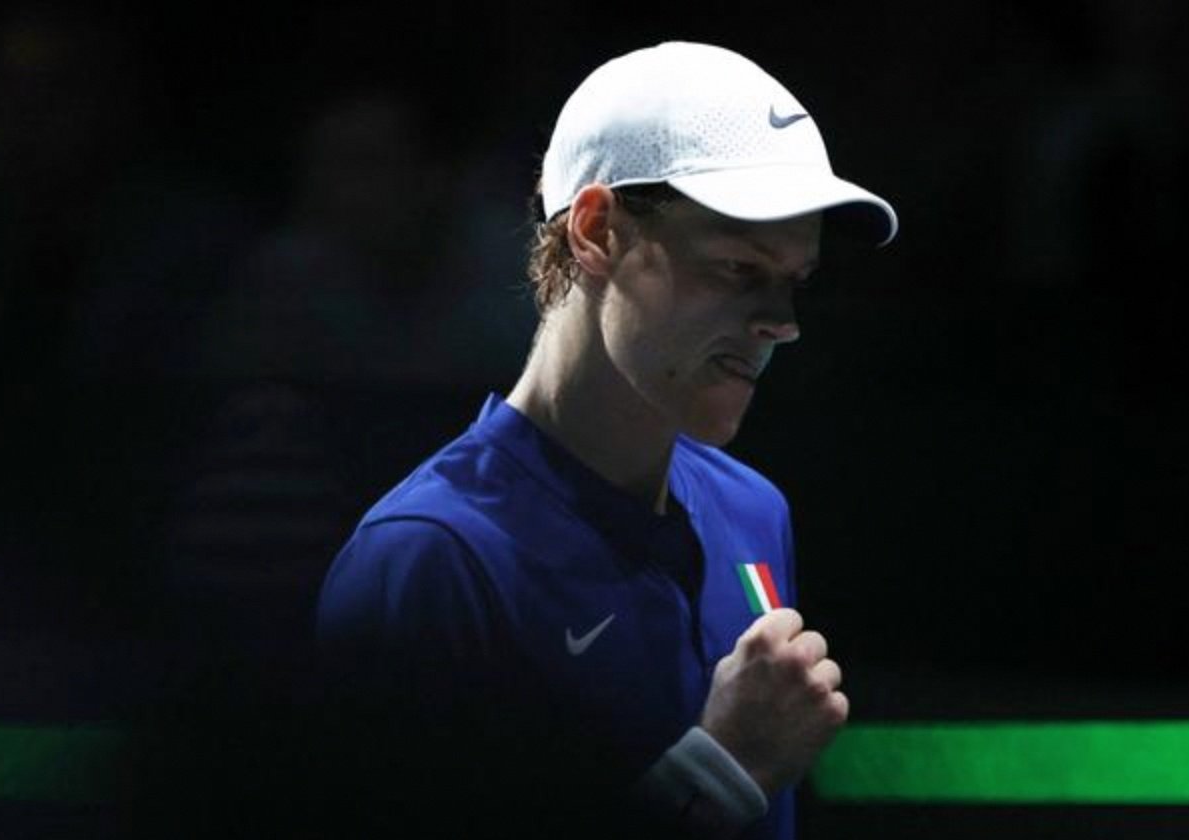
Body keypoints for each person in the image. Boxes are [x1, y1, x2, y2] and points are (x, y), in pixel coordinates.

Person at [315, 41, 897, 840]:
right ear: (595, 232)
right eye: (739, 268)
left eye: (794, 281)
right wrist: (720, 775)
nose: (781, 323)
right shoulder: (425, 562)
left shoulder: (754, 511)